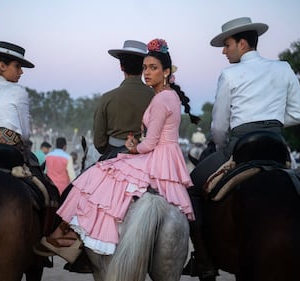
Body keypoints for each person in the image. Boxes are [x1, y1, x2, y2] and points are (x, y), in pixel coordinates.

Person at [34, 38, 199, 262]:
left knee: (91, 180)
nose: (148, 72)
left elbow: (103, 141)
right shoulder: (158, 95)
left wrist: (131, 148)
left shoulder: (116, 98)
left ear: (121, 66)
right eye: (146, 68)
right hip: (165, 157)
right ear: (140, 67)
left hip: (147, 154)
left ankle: (71, 240)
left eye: (153, 68)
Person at [186, 17, 300, 278]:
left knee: (191, 188)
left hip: (239, 146)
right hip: (277, 146)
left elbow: (219, 126)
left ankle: (204, 261)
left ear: (242, 44)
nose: (223, 51)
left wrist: (224, 147)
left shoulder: (229, 74)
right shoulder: (284, 68)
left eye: (227, 44)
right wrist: (273, 122)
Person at [94, 40, 154, 159]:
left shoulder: (107, 98)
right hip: (147, 159)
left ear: (121, 66)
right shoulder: (156, 97)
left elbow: (99, 143)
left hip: (113, 157)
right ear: (143, 68)